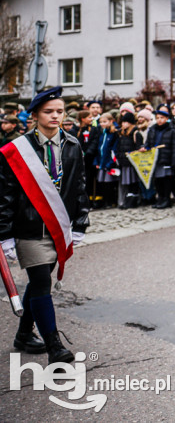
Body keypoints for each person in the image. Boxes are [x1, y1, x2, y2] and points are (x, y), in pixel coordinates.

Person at [0, 86, 89, 364]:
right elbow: (5, 195)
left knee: (38, 284)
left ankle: (24, 334)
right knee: (41, 282)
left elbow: (79, 187)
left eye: (60, 111)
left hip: (58, 229)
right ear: (35, 115)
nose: (55, 116)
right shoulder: (16, 150)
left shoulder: (72, 145)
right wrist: (5, 235)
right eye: (49, 111)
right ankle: (55, 348)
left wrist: (80, 223)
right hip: (28, 230)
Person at [145, 109, 175, 209]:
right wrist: (145, 147)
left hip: (166, 158)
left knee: (166, 180)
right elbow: (148, 143)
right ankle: (160, 198)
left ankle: (166, 199)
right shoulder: (152, 129)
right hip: (155, 159)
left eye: (162, 118)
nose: (159, 120)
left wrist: (174, 162)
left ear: (167, 119)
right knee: (158, 180)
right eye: (158, 118)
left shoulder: (171, 131)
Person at [115, 111, 144, 209]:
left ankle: (132, 201)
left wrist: (131, 155)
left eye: (126, 122)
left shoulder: (136, 133)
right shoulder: (121, 134)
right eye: (122, 122)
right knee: (126, 182)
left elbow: (138, 148)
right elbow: (118, 147)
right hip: (124, 162)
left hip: (132, 162)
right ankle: (126, 200)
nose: (123, 124)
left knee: (133, 182)